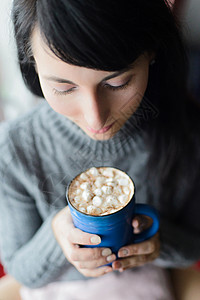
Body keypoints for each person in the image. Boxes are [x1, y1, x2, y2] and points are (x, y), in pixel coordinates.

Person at [0, 0, 200, 299]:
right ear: (33, 66)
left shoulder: (187, 134)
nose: (96, 118)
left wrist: (158, 241)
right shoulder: (17, 148)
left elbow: (194, 247)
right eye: (64, 88)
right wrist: (57, 232)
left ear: (152, 52)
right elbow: (18, 269)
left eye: (117, 82)